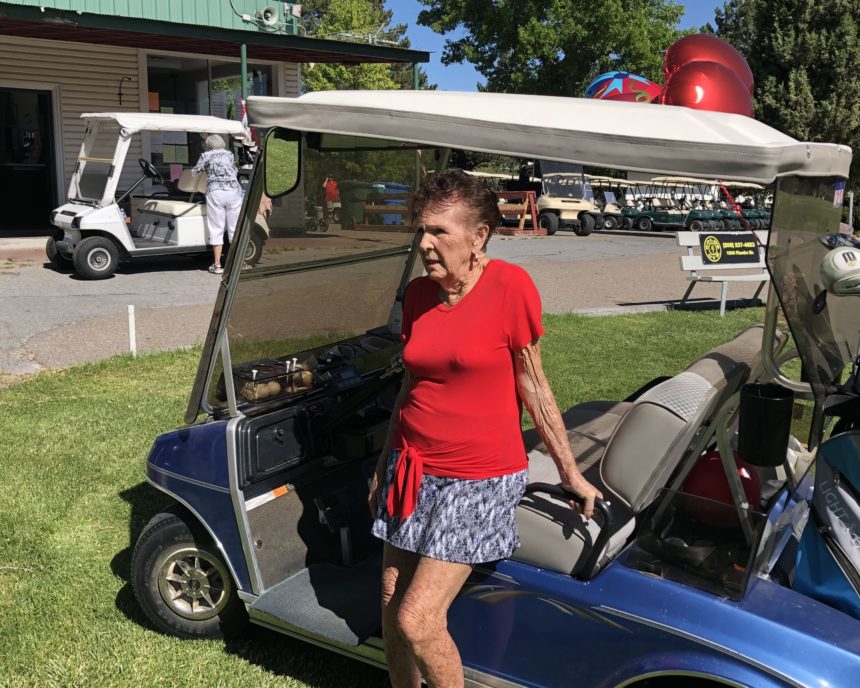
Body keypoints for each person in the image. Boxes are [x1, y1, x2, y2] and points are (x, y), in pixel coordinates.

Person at [368, 169, 603, 688]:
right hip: (412, 469)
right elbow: (411, 386)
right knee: (390, 603)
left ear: (478, 237)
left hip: (477, 477)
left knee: (418, 619)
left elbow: (534, 385)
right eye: (421, 230)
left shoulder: (509, 287)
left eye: (439, 232)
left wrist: (571, 473)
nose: (425, 243)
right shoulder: (418, 295)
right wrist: (385, 463)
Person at [193, 133, 242, 274]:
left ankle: (218, 265)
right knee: (234, 229)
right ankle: (237, 264)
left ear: (208, 145)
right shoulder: (229, 154)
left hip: (216, 192)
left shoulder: (205, 155)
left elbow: (195, 172)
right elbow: (234, 171)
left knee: (217, 228)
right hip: (233, 191)